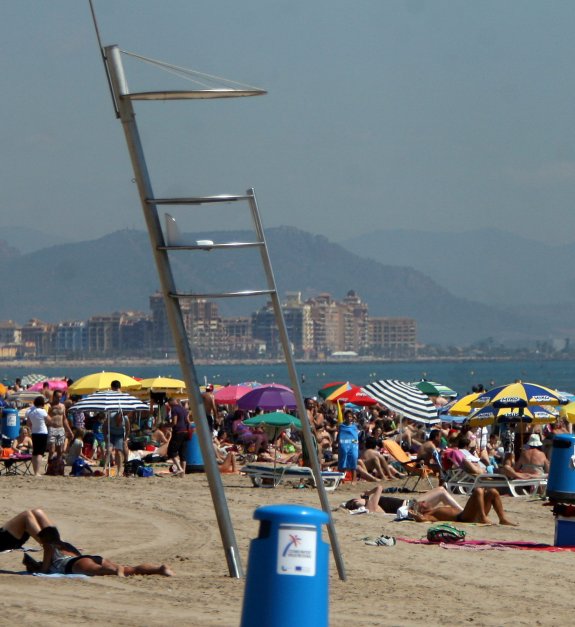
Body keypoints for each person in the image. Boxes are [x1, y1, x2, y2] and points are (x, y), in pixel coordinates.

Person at [26, 526, 174, 577]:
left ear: (46, 539)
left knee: (100, 570)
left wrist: (36, 567)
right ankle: (159, 569)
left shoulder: (49, 546)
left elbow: (45, 569)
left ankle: (115, 570)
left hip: (73, 564)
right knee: (131, 569)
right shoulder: (65, 544)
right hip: (90, 557)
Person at [408, 487, 517, 526]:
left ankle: (502, 519)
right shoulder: (430, 514)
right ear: (421, 509)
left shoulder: (435, 509)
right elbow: (423, 519)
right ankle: (482, 517)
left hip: (469, 513)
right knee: (478, 490)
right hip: (463, 517)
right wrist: (416, 516)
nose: (424, 502)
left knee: (493, 492)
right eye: (422, 503)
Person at [344, 485, 463, 516]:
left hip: (410, 505)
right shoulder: (369, 506)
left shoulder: (370, 504)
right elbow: (380, 487)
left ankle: (461, 512)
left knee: (441, 493)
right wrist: (368, 493)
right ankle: (463, 512)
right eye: (356, 501)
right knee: (441, 491)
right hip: (410, 507)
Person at [26, 395, 49, 476]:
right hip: (42, 432)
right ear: (42, 403)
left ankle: (35, 471)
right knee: (40, 453)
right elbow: (49, 420)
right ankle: (37, 472)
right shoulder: (42, 411)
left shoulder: (30, 411)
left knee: (35, 452)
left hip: (34, 432)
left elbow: (28, 423)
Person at [47, 390, 73, 461]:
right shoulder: (49, 406)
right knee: (52, 450)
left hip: (61, 429)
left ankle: (57, 467)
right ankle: (49, 466)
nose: (59, 399)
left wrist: (70, 431)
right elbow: (45, 417)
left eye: (60, 397)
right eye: (57, 397)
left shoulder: (62, 406)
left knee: (60, 451)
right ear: (54, 397)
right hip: (52, 428)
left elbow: (64, 419)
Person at [167, 397, 190, 476]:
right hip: (185, 431)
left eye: (169, 403)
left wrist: (166, 425)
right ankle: (182, 473)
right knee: (182, 453)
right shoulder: (184, 409)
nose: (169, 405)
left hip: (178, 431)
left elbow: (174, 422)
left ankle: (179, 469)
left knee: (171, 451)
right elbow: (187, 421)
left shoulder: (174, 409)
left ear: (172, 402)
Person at [337, 410, 360, 483]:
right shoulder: (341, 426)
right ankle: (340, 480)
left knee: (353, 459)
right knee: (343, 461)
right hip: (343, 445)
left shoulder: (355, 426)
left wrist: (354, 443)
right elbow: (339, 435)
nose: (348, 418)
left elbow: (355, 437)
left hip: (353, 445)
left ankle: (354, 479)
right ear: (344, 417)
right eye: (347, 416)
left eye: (350, 416)